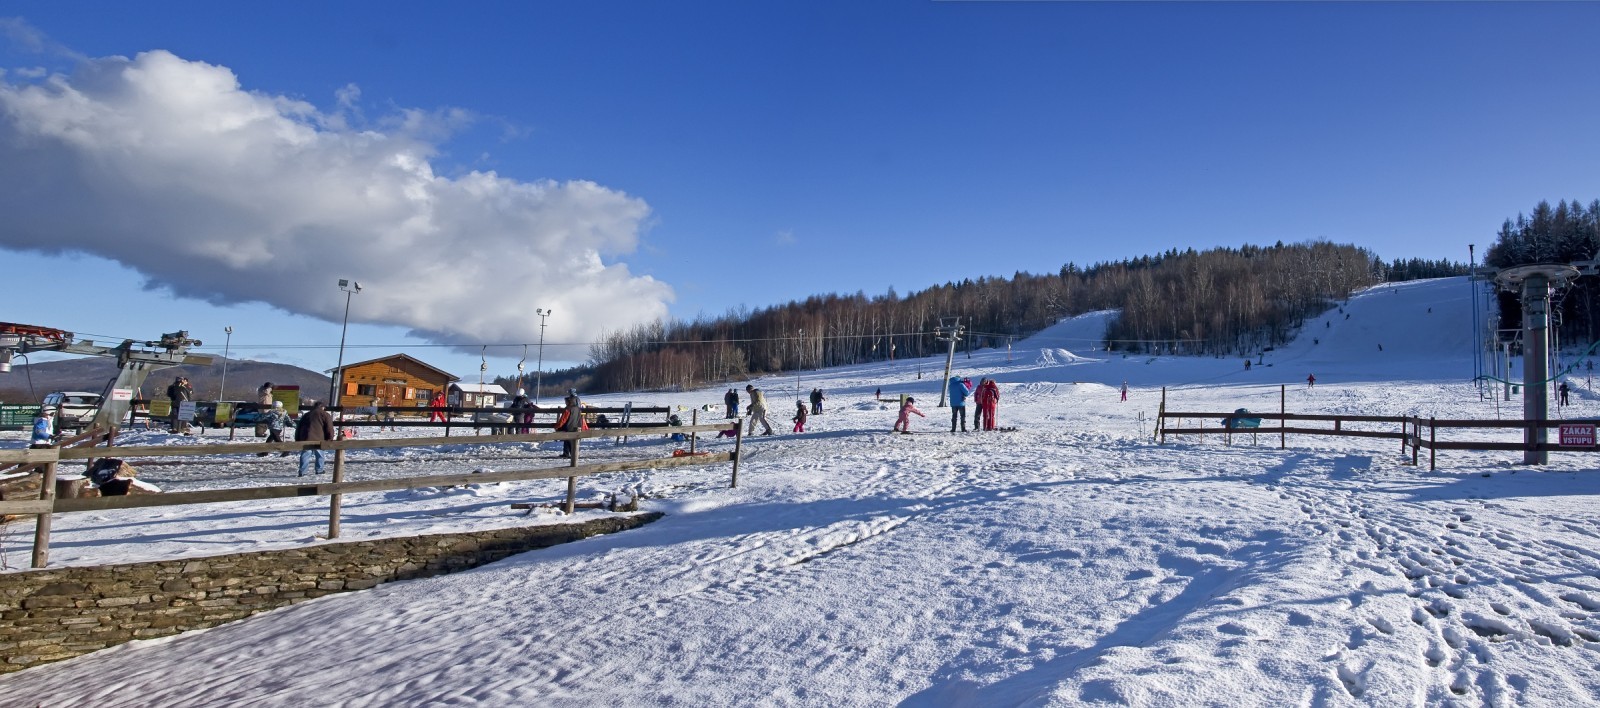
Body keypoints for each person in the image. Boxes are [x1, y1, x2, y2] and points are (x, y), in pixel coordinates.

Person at [294, 400, 335, 476]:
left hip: (306, 438)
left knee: (305, 455)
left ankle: (302, 472)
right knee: (320, 455)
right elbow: (329, 427)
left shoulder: (307, 414)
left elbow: (299, 427)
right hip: (319, 438)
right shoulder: (325, 415)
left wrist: (297, 438)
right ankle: (319, 470)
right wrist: (330, 438)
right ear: (322, 407)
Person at [555, 391, 587, 458]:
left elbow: (563, 419)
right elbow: (581, 418)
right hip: (577, 426)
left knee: (568, 440)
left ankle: (570, 454)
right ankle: (568, 453)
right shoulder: (578, 409)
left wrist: (557, 426)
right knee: (571, 441)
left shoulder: (568, 409)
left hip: (569, 427)